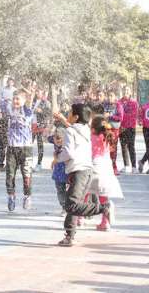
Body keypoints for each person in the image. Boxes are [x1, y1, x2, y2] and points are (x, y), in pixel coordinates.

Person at [54, 104, 113, 247]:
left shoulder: (70, 131)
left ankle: (103, 208)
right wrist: (64, 120)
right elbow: (74, 128)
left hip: (78, 171)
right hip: (87, 171)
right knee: (74, 203)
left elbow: (69, 153)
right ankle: (69, 236)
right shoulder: (86, 130)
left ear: (76, 117)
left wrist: (57, 157)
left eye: (69, 113)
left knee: (71, 205)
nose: (67, 115)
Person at [89, 116, 124, 231]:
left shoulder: (92, 137)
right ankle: (105, 222)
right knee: (103, 196)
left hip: (94, 167)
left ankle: (78, 218)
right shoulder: (106, 136)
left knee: (84, 192)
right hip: (106, 170)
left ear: (93, 128)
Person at [4, 90, 34, 211]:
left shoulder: (27, 110)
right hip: (11, 148)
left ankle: (27, 196)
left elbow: (29, 100)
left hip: (26, 149)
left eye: (18, 99)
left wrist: (28, 94)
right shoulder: (10, 110)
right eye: (14, 99)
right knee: (10, 175)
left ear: (23, 101)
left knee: (26, 175)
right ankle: (11, 196)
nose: (15, 101)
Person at [0, 78, 17, 170]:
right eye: (8, 81)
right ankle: (1, 162)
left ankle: (12, 163)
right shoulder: (3, 90)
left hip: (12, 119)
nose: (10, 83)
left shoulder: (15, 90)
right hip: (4, 117)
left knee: (12, 143)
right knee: (2, 143)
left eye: (11, 81)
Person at [118, 86, 139, 174]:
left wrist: (123, 117)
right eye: (124, 90)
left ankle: (134, 167)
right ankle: (126, 165)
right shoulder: (119, 102)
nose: (125, 91)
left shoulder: (134, 102)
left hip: (130, 127)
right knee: (123, 147)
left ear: (130, 92)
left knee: (131, 146)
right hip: (121, 127)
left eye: (127, 90)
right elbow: (118, 114)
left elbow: (133, 114)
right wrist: (121, 123)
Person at [103, 91, 123, 175]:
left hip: (114, 129)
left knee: (113, 148)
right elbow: (102, 115)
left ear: (115, 97)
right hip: (106, 129)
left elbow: (120, 118)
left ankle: (114, 167)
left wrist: (110, 116)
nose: (110, 97)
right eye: (109, 96)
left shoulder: (118, 105)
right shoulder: (106, 105)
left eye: (111, 96)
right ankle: (106, 167)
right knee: (105, 148)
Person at [32, 89, 51, 172]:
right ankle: (26, 162)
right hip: (32, 125)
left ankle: (39, 164)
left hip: (40, 125)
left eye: (38, 92)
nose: (37, 93)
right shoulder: (33, 101)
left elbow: (48, 113)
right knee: (28, 144)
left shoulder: (46, 102)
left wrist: (41, 111)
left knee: (40, 145)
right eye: (36, 92)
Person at [49, 128, 68, 215]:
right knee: (60, 189)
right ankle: (64, 206)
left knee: (69, 190)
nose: (58, 141)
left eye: (60, 139)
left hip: (67, 170)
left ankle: (69, 206)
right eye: (56, 139)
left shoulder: (67, 145)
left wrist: (55, 159)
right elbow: (48, 137)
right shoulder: (53, 140)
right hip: (58, 171)